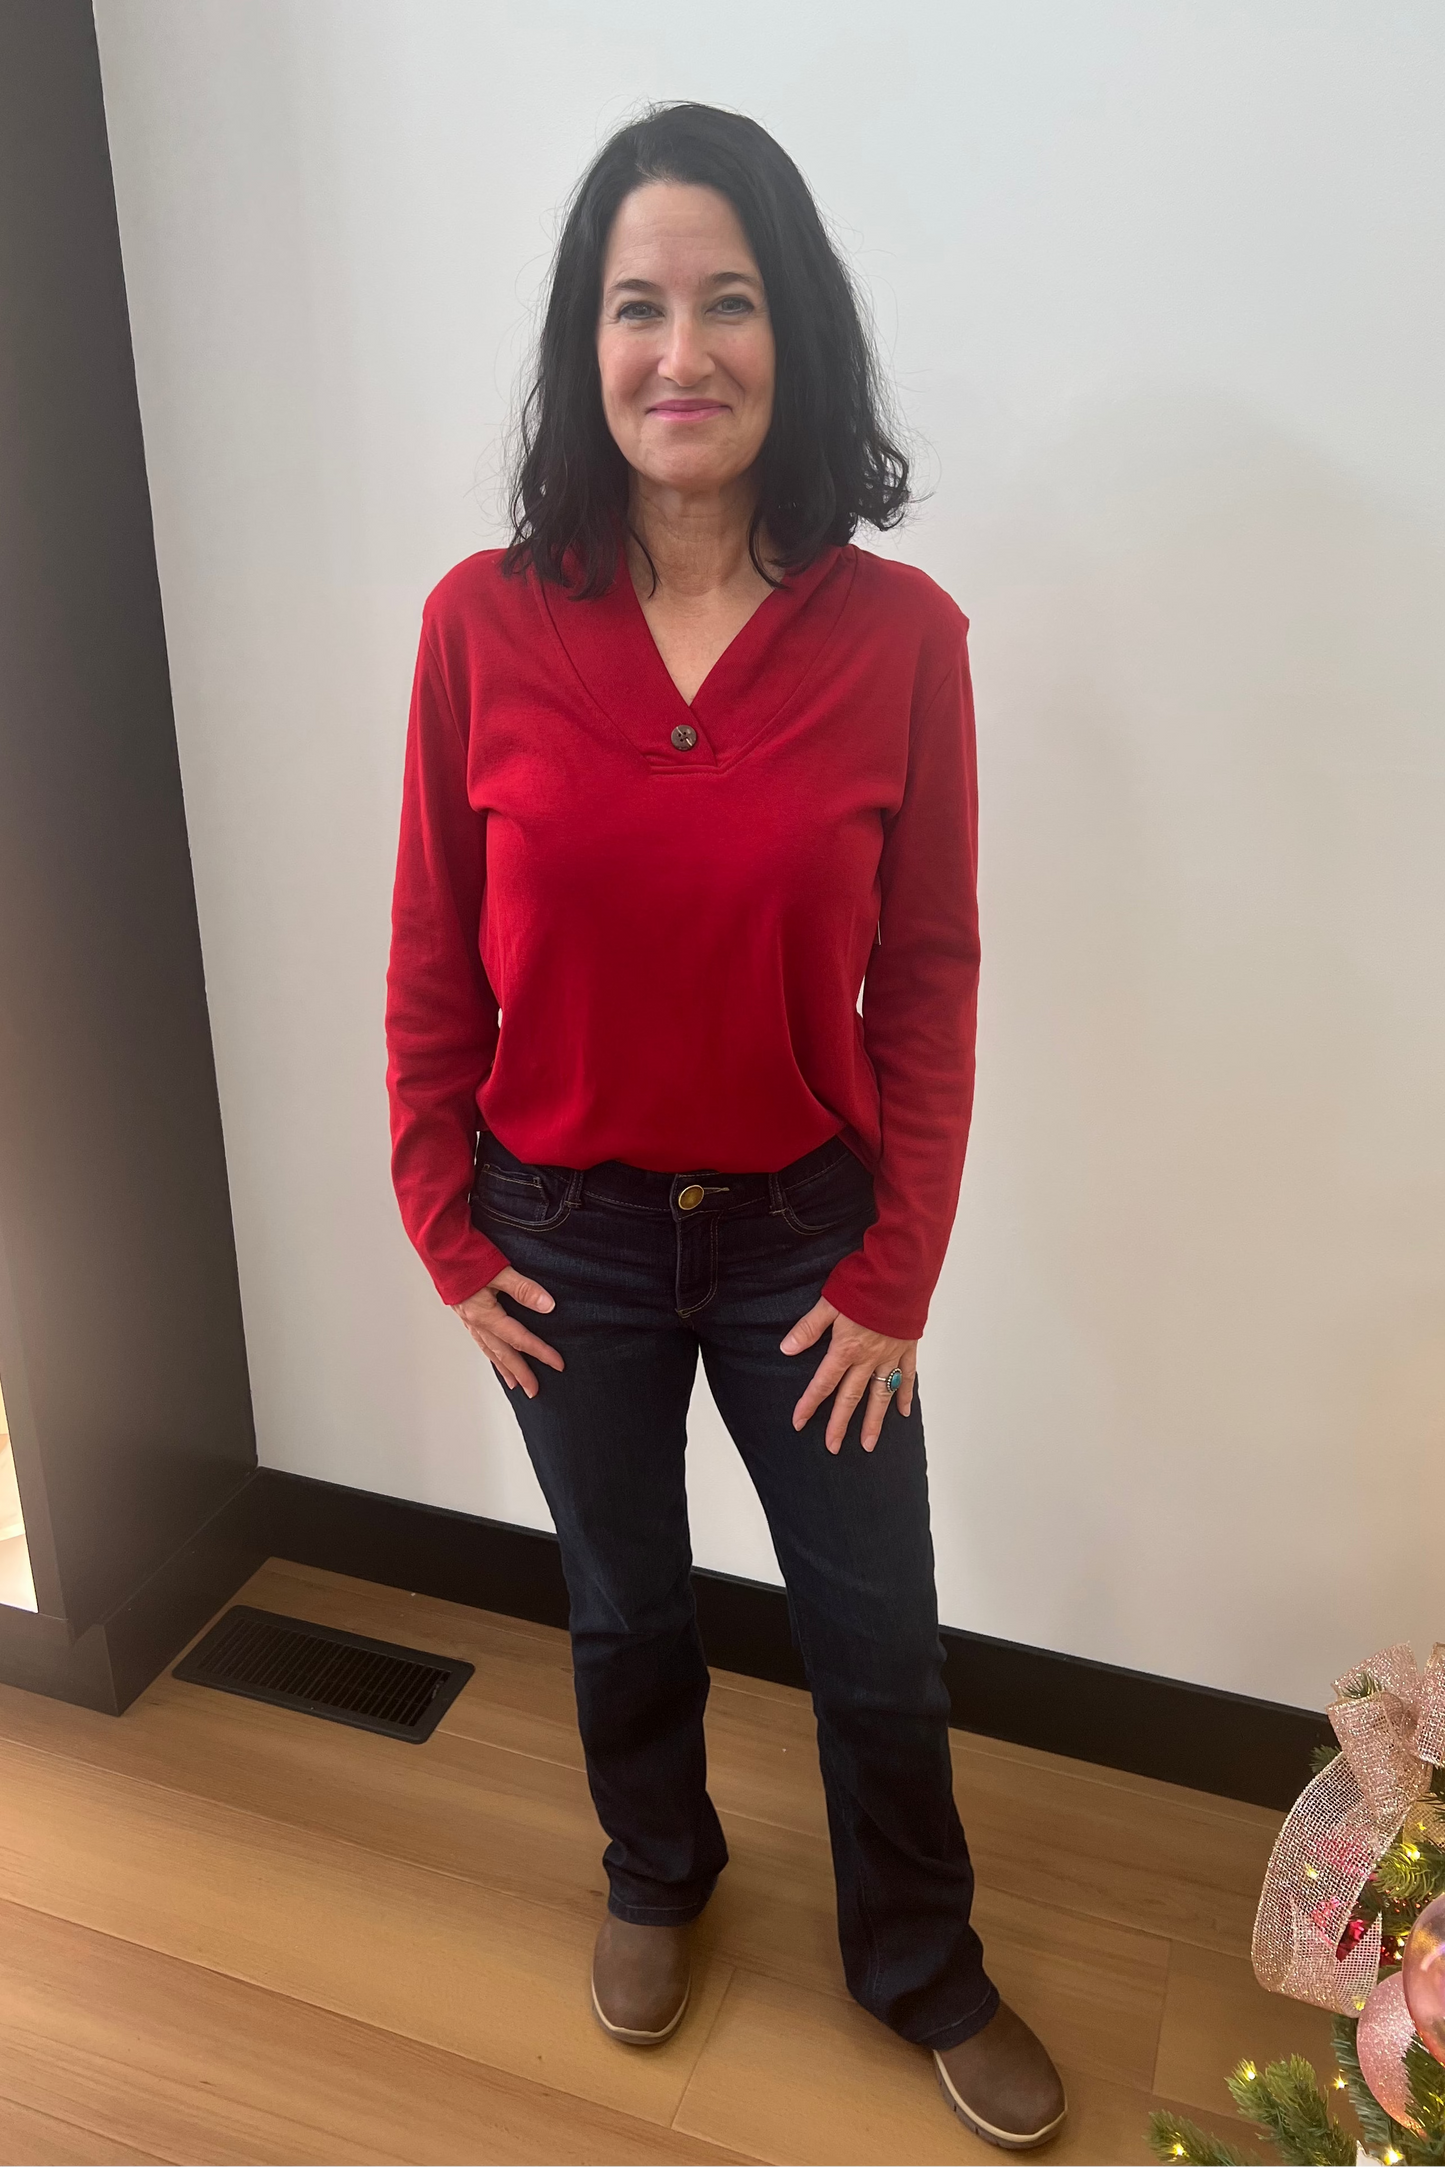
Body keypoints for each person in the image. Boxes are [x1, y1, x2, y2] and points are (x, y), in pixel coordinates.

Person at [385, 101, 1065, 2150]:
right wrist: (442, 1218)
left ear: (795, 336)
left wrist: (896, 1269)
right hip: (559, 1231)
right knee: (623, 1606)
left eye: (729, 301)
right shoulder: (477, 624)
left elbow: (926, 979)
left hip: (804, 1238)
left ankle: (918, 1956)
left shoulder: (902, 642)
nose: (681, 351)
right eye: (636, 306)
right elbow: (431, 952)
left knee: (875, 1635)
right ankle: (655, 1869)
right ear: (584, 347)